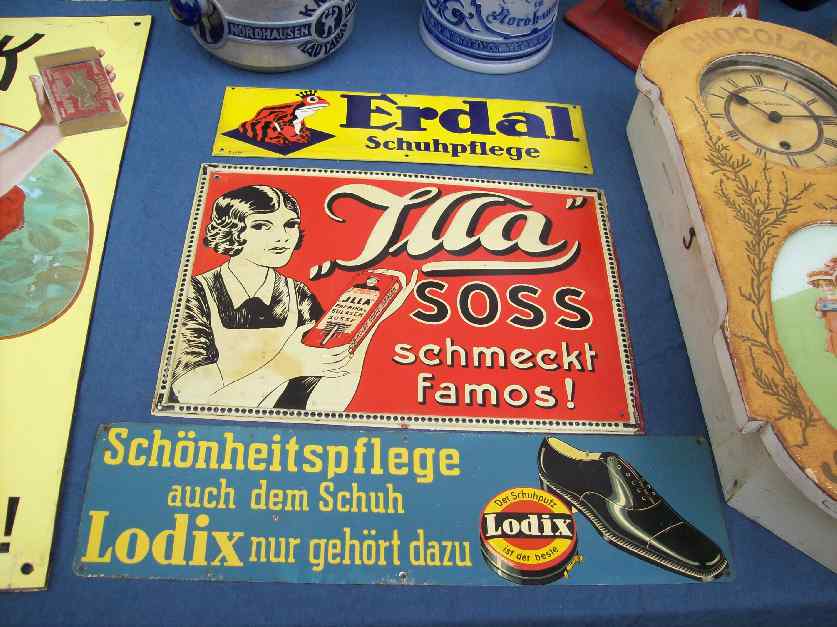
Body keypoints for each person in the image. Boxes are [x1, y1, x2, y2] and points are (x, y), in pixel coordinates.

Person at [171, 184, 415, 411]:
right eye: (261, 226)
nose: (282, 237)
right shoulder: (195, 292)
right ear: (231, 231)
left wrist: (371, 321)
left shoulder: (298, 294)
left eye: (290, 224)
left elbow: (325, 401)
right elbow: (194, 399)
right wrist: (287, 365)